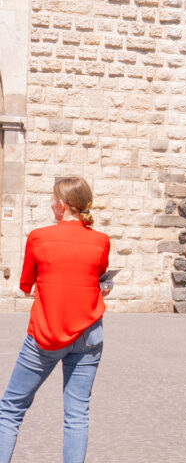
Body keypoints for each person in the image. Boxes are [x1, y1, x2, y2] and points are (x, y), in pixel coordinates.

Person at [0, 177, 111, 463]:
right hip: (88, 333)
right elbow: (98, 276)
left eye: (52, 199)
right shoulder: (101, 241)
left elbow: (26, 285)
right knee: (77, 414)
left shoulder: (39, 237)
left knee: (11, 409)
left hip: (46, 333)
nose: (51, 204)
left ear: (62, 205)